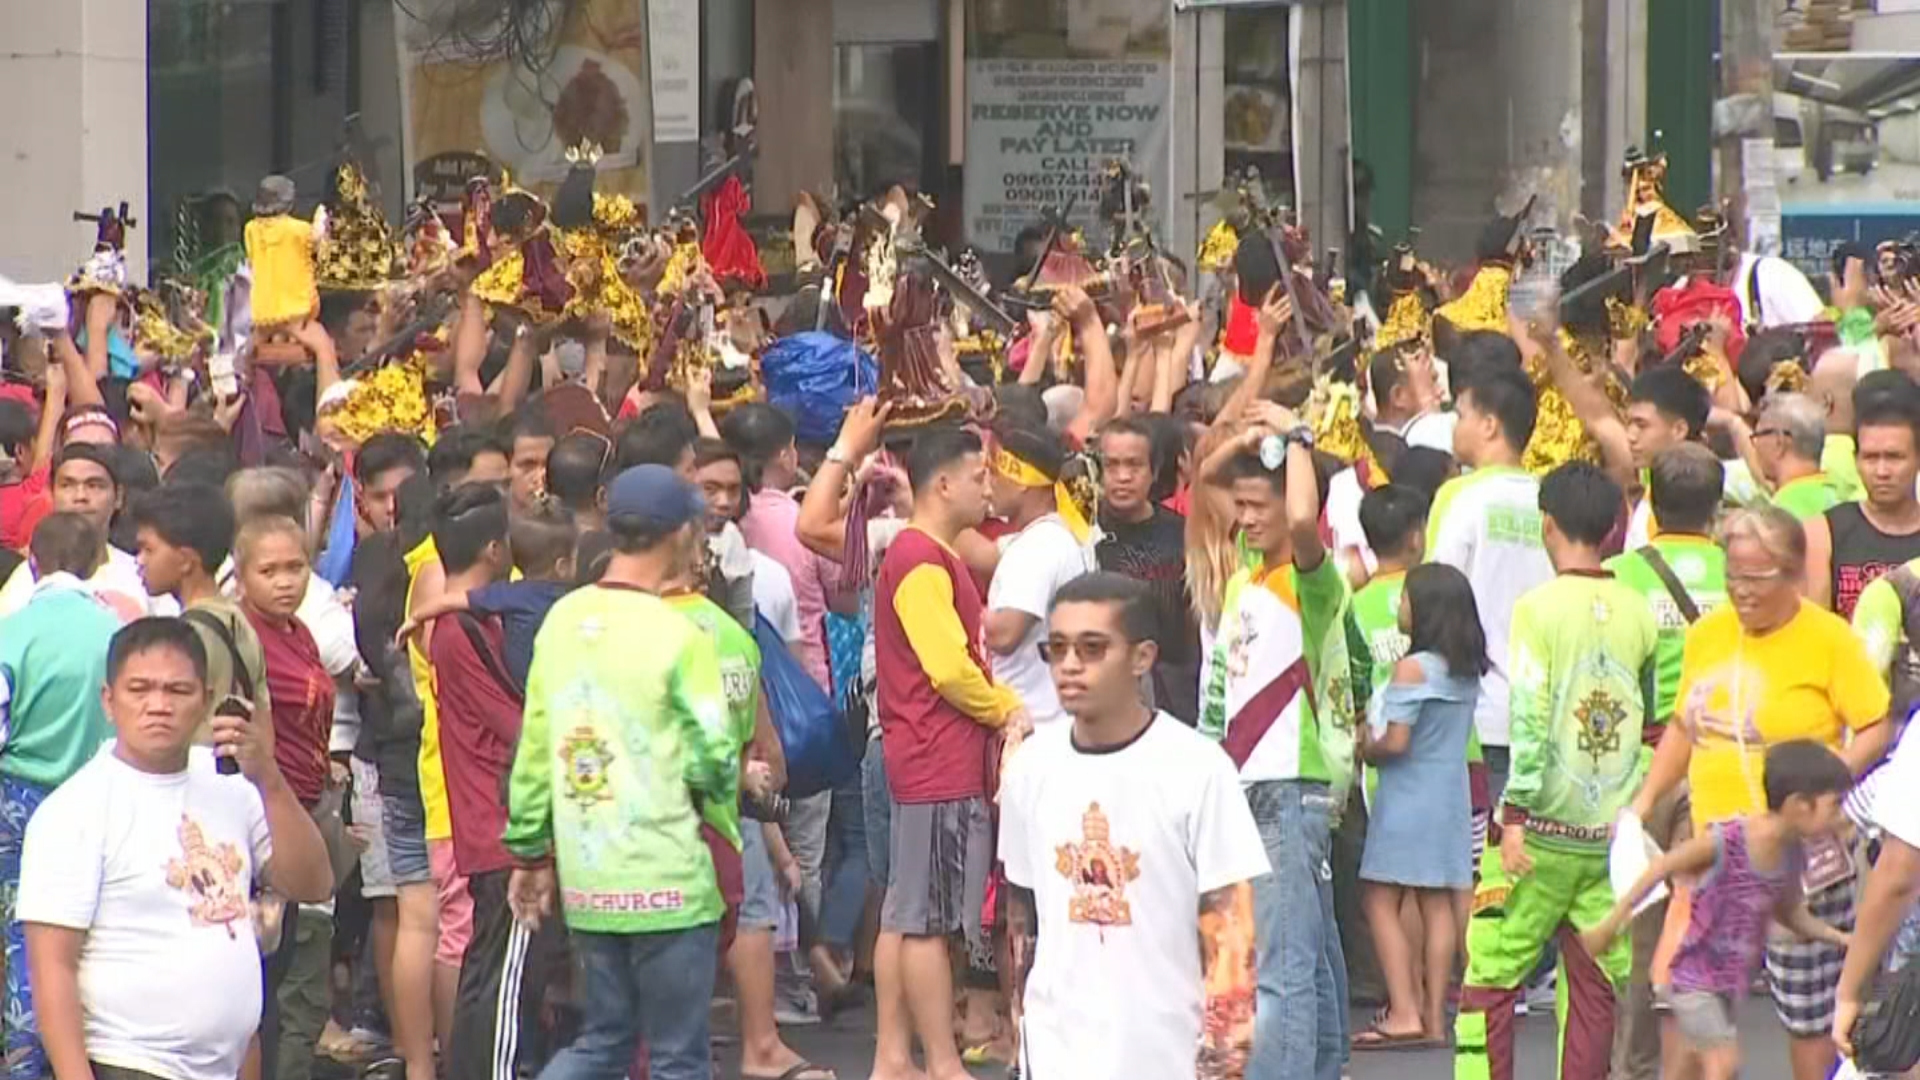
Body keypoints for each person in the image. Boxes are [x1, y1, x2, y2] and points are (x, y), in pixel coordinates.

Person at [1632, 506, 1892, 1080]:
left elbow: (1876, 725)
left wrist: (1827, 779)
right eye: (1733, 576)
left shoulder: (1828, 638)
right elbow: (1683, 727)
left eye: (1757, 577)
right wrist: (1643, 802)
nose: (1742, 591)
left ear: (1794, 573)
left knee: (1810, 1015)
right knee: (1684, 999)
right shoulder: (1708, 634)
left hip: (1803, 859)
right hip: (1715, 853)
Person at [18, 617, 332, 1080]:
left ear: (206, 700)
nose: (158, 706)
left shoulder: (233, 785)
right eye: (139, 690)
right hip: (127, 1062)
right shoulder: (75, 810)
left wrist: (269, 779)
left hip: (227, 1063)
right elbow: (51, 968)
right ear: (108, 701)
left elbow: (314, 883)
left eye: (177, 690)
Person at [503, 464, 737, 1080]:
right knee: (679, 1058)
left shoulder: (561, 622)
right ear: (682, 534)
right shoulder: (681, 634)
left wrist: (530, 850)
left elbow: (535, 748)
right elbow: (715, 758)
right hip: (669, 879)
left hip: (590, 882)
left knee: (604, 1041)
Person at [1000, 573, 1269, 1080]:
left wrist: (1223, 1064)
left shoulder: (1198, 769)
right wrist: (1022, 1045)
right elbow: (1023, 923)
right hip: (1056, 1053)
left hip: (1164, 1054)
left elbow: (1232, 936)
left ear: (1142, 657)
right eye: (1057, 649)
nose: (1069, 665)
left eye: (1092, 648)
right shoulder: (1028, 769)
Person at [1454, 462, 1658, 1080]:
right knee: (1594, 983)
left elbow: (1530, 716)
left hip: (1538, 831)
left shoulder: (1536, 609)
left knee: (1490, 977)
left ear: (1548, 525)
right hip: (1607, 834)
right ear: (1613, 528)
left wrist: (1515, 813)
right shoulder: (1638, 610)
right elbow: (1646, 722)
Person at [1197, 399, 1352, 1080]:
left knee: (1281, 965)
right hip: (1245, 781)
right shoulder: (1243, 577)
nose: (1247, 518)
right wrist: (1248, 435)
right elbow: (1207, 478)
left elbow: (1301, 519)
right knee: (1305, 953)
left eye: (1259, 506)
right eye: (1242, 507)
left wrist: (1296, 438)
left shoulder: (1311, 581)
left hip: (1291, 785)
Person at [870, 428, 1024, 1080]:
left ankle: (893, 1057)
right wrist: (1005, 707)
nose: (989, 487)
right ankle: (940, 1062)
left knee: (907, 914)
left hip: (925, 757)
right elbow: (949, 668)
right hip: (937, 757)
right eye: (979, 476)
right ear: (942, 484)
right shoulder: (921, 560)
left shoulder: (926, 554)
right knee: (927, 923)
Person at [1585, 741, 1854, 1080]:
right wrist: (1611, 924)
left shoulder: (1792, 853)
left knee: (1687, 1069)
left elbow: (1789, 913)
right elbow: (1661, 867)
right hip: (1690, 975)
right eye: (1835, 805)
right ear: (1798, 805)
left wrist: (1840, 938)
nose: (1842, 816)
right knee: (1723, 1065)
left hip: (1727, 982)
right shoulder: (1730, 838)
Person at [422, 484, 566, 1080]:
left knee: (492, 977)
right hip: (504, 828)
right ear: (493, 549)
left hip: (492, 824)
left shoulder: (469, 621)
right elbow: (521, 724)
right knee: (503, 985)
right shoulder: (465, 631)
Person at [1598, 442, 1730, 1080]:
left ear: (1651, 500)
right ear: (1717, 507)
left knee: (1645, 929)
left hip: (1645, 764)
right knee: (1704, 928)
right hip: (1719, 766)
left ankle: (1636, 1068)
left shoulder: (1618, 574)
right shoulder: (1741, 572)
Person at [0, 514, 123, 1080]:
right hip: (98, 798)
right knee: (90, 935)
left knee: (23, 938)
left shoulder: (10, 632)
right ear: (97, 562)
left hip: (18, 803)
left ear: (31, 562)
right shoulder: (118, 635)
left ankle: (25, 1064)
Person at [1351, 563, 1483, 1050]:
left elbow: (1397, 741)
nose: (1401, 605)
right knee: (1436, 901)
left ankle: (1405, 1009)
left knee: (1378, 897)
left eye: (1405, 597)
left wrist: (1365, 747)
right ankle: (1433, 1016)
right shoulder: (1464, 669)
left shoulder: (1413, 667)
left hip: (1407, 795)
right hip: (1449, 793)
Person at [233, 514, 337, 1080]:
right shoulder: (242, 640)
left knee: (299, 971)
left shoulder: (301, 633)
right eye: (268, 570)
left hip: (308, 815)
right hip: (263, 826)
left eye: (295, 567)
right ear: (241, 574)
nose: (284, 581)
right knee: (270, 984)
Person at [1430, 359, 1553, 800]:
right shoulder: (1549, 500)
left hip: (1476, 715)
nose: (1455, 425)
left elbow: (1433, 600)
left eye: (1461, 414)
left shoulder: (1459, 496)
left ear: (1489, 425)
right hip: (1541, 716)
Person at [131, 483, 271, 741]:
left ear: (186, 561)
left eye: (148, 549)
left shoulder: (188, 637)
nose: (139, 560)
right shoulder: (239, 620)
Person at [985, 420, 1097, 728]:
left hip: (1034, 725)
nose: (989, 484)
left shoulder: (1038, 546)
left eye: (996, 474)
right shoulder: (1052, 536)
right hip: (1048, 723)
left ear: (1022, 482)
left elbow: (1005, 634)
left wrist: (965, 615)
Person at [397, 500, 577, 690]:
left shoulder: (508, 594)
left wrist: (416, 617)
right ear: (562, 566)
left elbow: (454, 600)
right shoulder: (575, 600)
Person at [1094, 415, 1200, 723]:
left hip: (1178, 698)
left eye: (1134, 465)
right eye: (1112, 465)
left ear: (1153, 471)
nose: (1123, 476)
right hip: (1107, 694)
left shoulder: (1182, 534)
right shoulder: (1086, 534)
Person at [0, 445, 170, 620]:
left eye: (94, 485)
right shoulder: (25, 580)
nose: (80, 496)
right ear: (52, 494)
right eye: (67, 485)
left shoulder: (143, 573)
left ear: (118, 497)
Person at [1807, 372, 1920, 617]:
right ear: (1855, 460)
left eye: (1894, 457)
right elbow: (1816, 626)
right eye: (1870, 458)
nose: (1882, 471)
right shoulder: (1823, 532)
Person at [1620, 367, 1714, 548]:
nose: (1630, 436)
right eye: (1629, 423)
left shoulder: (1704, 491)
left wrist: (1734, 424)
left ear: (1679, 430)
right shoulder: (1648, 477)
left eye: (1641, 425)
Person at [1756, 393, 1844, 522]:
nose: (1755, 445)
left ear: (1779, 442)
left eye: (1757, 435)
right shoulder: (1841, 499)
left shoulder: (1780, 517)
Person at [502, 405, 555, 514]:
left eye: (548, 465)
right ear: (507, 467)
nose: (540, 476)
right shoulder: (488, 520)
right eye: (528, 465)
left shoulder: (569, 518)